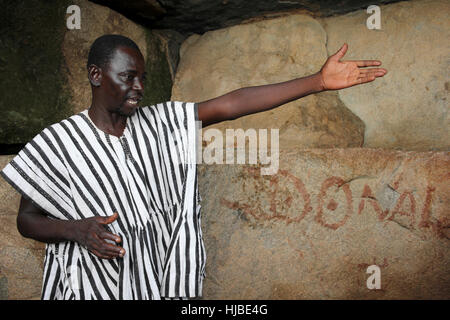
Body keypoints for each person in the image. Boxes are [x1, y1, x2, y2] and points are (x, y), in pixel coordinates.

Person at [0, 34, 387, 300]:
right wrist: (77, 230)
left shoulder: (161, 122)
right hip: (89, 286)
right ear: (96, 75)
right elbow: (27, 221)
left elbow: (232, 104)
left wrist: (317, 81)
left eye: (143, 78)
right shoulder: (58, 141)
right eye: (127, 77)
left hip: (154, 282)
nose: (138, 87)